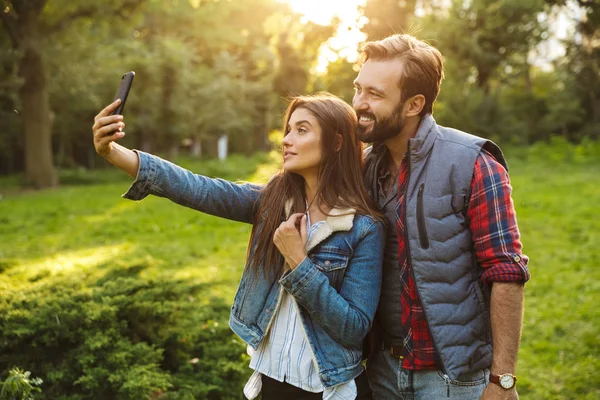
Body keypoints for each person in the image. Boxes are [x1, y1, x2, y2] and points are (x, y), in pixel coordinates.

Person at [92, 93, 384, 400]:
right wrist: (112, 152)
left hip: (331, 390)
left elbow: (354, 328)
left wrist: (299, 262)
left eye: (301, 130)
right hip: (270, 383)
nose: (286, 140)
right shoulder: (272, 203)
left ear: (337, 143)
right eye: (288, 129)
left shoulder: (363, 228)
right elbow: (196, 188)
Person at [352, 34, 530, 400]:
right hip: (382, 372)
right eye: (358, 89)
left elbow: (506, 273)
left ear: (414, 103)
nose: (358, 103)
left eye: (375, 94)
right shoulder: (363, 167)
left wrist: (502, 380)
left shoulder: (474, 163)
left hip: (454, 381)